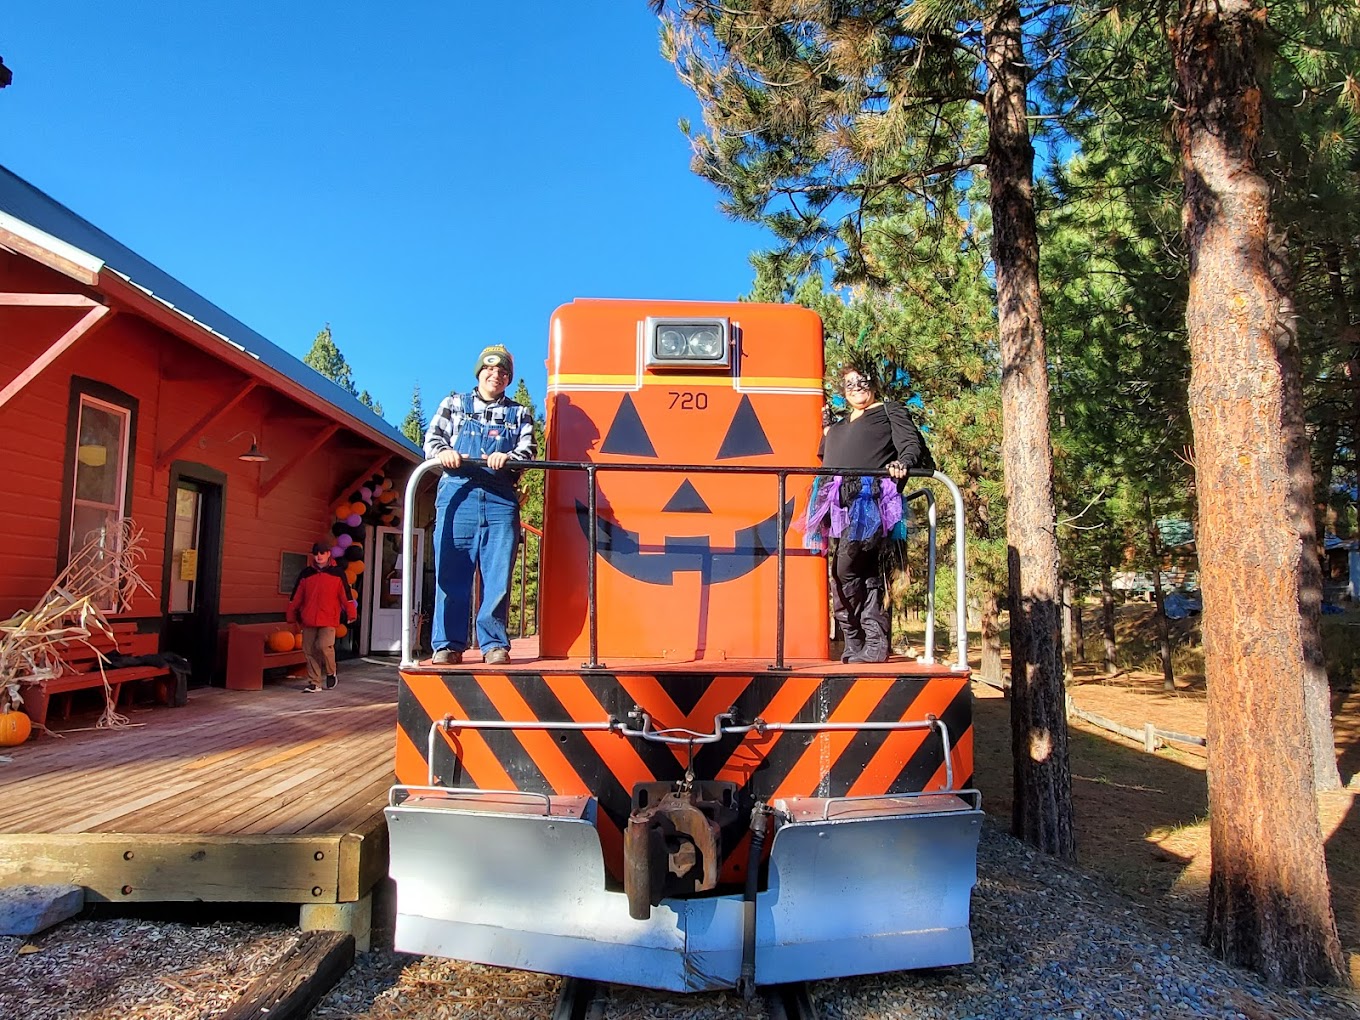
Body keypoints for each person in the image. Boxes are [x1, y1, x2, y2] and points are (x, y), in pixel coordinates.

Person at [801, 365, 934, 663]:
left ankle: (870, 638)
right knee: (852, 570)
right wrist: (828, 428)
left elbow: (912, 446)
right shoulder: (839, 423)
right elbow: (829, 454)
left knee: (847, 568)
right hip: (837, 500)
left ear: (874, 383)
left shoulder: (888, 411)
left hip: (868, 497)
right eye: (849, 384)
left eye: (862, 381)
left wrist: (903, 462)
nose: (856, 387)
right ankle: (857, 642)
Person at [424, 344, 536, 665]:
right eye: (489, 369)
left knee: (497, 575)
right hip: (458, 495)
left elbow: (528, 450)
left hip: (501, 498)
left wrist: (509, 458)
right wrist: (444, 453)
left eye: (502, 372)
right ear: (479, 372)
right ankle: (448, 644)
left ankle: (493, 644)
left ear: (508, 379)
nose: (495, 375)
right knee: (452, 571)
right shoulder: (454, 404)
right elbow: (432, 440)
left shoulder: (519, 413)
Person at [287, 541, 356, 693]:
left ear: (328, 554)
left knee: (324, 646)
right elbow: (296, 596)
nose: (319, 556)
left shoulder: (337, 573)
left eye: (322, 553)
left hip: (329, 618)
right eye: (316, 553)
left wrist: (351, 613)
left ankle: (331, 672)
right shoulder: (306, 574)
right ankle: (314, 682)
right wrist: (291, 614)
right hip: (309, 618)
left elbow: (346, 595)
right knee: (309, 649)